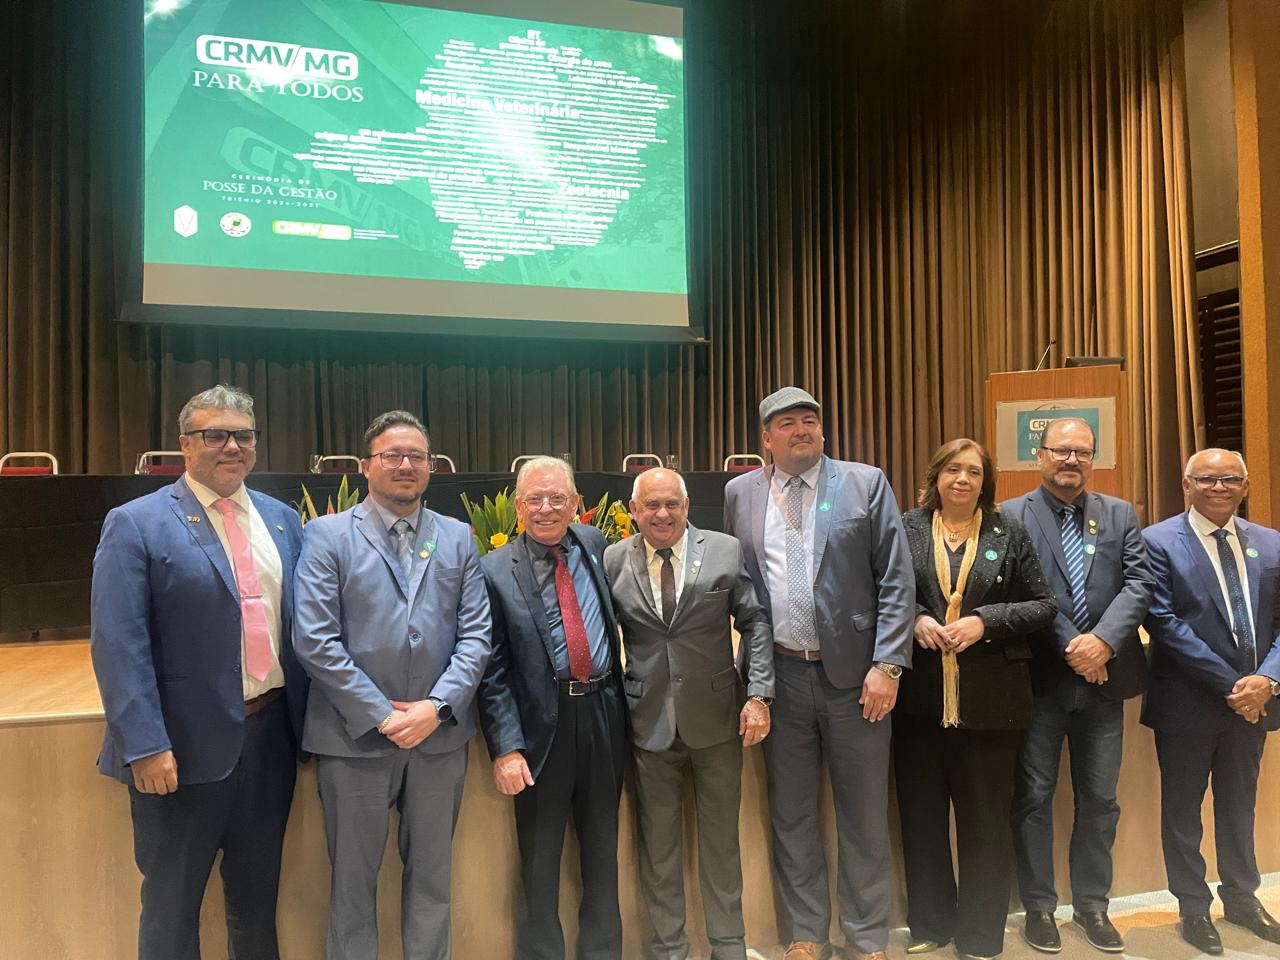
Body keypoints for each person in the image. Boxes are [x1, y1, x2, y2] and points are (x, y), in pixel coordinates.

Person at [90, 384, 307, 960]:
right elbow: (119, 643)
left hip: (269, 741)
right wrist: (143, 745)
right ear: (185, 445)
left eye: (243, 435)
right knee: (171, 907)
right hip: (177, 752)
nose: (231, 446)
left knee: (257, 903)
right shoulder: (135, 523)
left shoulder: (283, 520)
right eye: (215, 435)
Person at [722, 386, 914, 960]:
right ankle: (805, 934)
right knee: (793, 814)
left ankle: (866, 937)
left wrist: (888, 664)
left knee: (863, 815)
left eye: (810, 420)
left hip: (857, 680)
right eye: (787, 424)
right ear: (766, 439)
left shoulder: (864, 482)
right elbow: (742, 583)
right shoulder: (741, 493)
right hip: (780, 677)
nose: (801, 429)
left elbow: (897, 579)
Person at [293, 410, 491, 960]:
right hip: (353, 739)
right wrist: (383, 715)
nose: (406, 465)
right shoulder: (327, 535)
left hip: (438, 740)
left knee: (433, 884)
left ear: (431, 467)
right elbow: (315, 640)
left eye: (417, 457)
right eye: (392, 455)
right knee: (352, 888)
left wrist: (436, 707)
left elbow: (476, 636)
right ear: (365, 466)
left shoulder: (455, 536)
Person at [895, 438, 1056, 960]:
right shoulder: (907, 527)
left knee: (986, 823)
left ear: (986, 481)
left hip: (992, 700)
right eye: (953, 470)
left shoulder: (1008, 531)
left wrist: (985, 622)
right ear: (936, 476)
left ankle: (981, 935)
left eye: (974, 471)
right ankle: (931, 923)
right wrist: (915, 618)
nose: (963, 479)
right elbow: (882, 592)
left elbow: (1044, 605)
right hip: (919, 699)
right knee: (921, 818)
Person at [604, 467, 774, 960]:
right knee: (658, 851)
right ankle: (668, 951)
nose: (662, 514)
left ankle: (729, 948)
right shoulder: (614, 559)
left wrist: (759, 695)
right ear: (634, 511)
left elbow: (755, 622)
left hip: (719, 720)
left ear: (686, 506)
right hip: (647, 724)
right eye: (651, 505)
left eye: (671, 504)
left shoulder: (723, 549)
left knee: (721, 847)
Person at [1003, 418, 1153, 954]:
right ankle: (1040, 907)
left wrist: (1105, 642)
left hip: (1104, 682)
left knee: (1101, 799)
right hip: (1040, 680)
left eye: (1082, 452)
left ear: (1094, 458)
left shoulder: (1119, 514)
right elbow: (1022, 591)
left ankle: (1092, 904)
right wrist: (1075, 646)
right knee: (1035, 797)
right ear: (1039, 454)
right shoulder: (1010, 516)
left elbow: (1139, 583)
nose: (1072, 460)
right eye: (1062, 450)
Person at [477, 456, 627, 960]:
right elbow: (492, 669)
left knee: (603, 853)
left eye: (557, 498)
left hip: (605, 713)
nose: (546, 509)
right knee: (540, 864)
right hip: (542, 728)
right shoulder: (495, 570)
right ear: (518, 507)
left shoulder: (596, 546)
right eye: (535, 499)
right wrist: (507, 747)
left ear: (575, 504)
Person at [1142, 448, 1280, 955]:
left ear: (1245, 485)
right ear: (1187, 484)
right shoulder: (1157, 541)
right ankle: (1194, 908)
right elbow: (1164, 623)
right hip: (1188, 702)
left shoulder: (1271, 543)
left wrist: (1267, 680)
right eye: (1207, 478)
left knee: (1240, 805)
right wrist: (1235, 686)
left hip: (1256, 703)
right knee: (1182, 811)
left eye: (1230, 479)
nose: (1219, 487)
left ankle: (1243, 899)